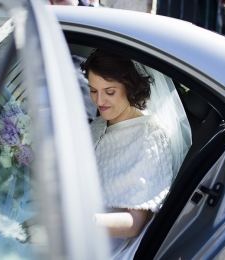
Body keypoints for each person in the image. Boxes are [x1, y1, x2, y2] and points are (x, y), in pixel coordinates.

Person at [80, 49, 191, 259]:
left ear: (129, 87)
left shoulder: (150, 138)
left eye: (109, 91)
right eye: (93, 90)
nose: (99, 100)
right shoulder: (99, 124)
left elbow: (134, 224)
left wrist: (76, 223)